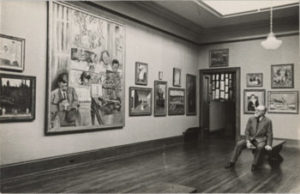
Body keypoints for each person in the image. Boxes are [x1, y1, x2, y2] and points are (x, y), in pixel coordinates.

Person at [225, 105, 273, 171]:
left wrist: (268, 144)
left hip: (260, 140)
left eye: (258, 110)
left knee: (259, 147)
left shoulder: (268, 121)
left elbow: (269, 133)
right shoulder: (251, 119)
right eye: (256, 109)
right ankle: (232, 162)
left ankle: (254, 164)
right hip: (250, 138)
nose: (256, 111)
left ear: (263, 112)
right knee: (239, 144)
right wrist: (247, 141)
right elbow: (247, 131)